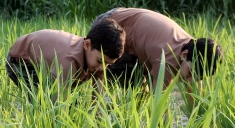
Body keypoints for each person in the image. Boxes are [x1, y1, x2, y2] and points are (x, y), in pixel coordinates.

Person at [94, 8, 223, 92]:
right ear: (184, 55)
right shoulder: (167, 59)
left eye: (197, 77)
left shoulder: (195, 49)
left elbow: (194, 94)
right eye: (190, 73)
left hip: (132, 34)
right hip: (109, 27)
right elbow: (158, 103)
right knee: (104, 75)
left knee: (142, 91)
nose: (191, 79)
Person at [6, 17, 125, 91]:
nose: (102, 67)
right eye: (100, 61)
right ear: (87, 45)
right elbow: (58, 102)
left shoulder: (98, 59)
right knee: (43, 102)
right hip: (21, 62)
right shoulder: (69, 61)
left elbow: (98, 100)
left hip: (50, 62)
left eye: (108, 64)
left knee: (73, 106)